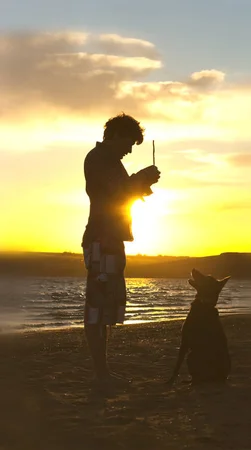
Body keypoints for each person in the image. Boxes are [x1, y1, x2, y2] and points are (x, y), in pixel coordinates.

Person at [81, 113, 160, 384]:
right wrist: (141, 178)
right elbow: (117, 192)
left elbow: (121, 195)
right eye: (128, 143)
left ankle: (102, 371)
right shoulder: (99, 159)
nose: (129, 150)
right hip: (102, 239)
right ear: (114, 136)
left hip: (109, 239)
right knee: (97, 307)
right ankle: (100, 372)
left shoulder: (108, 160)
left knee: (105, 305)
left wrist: (142, 184)